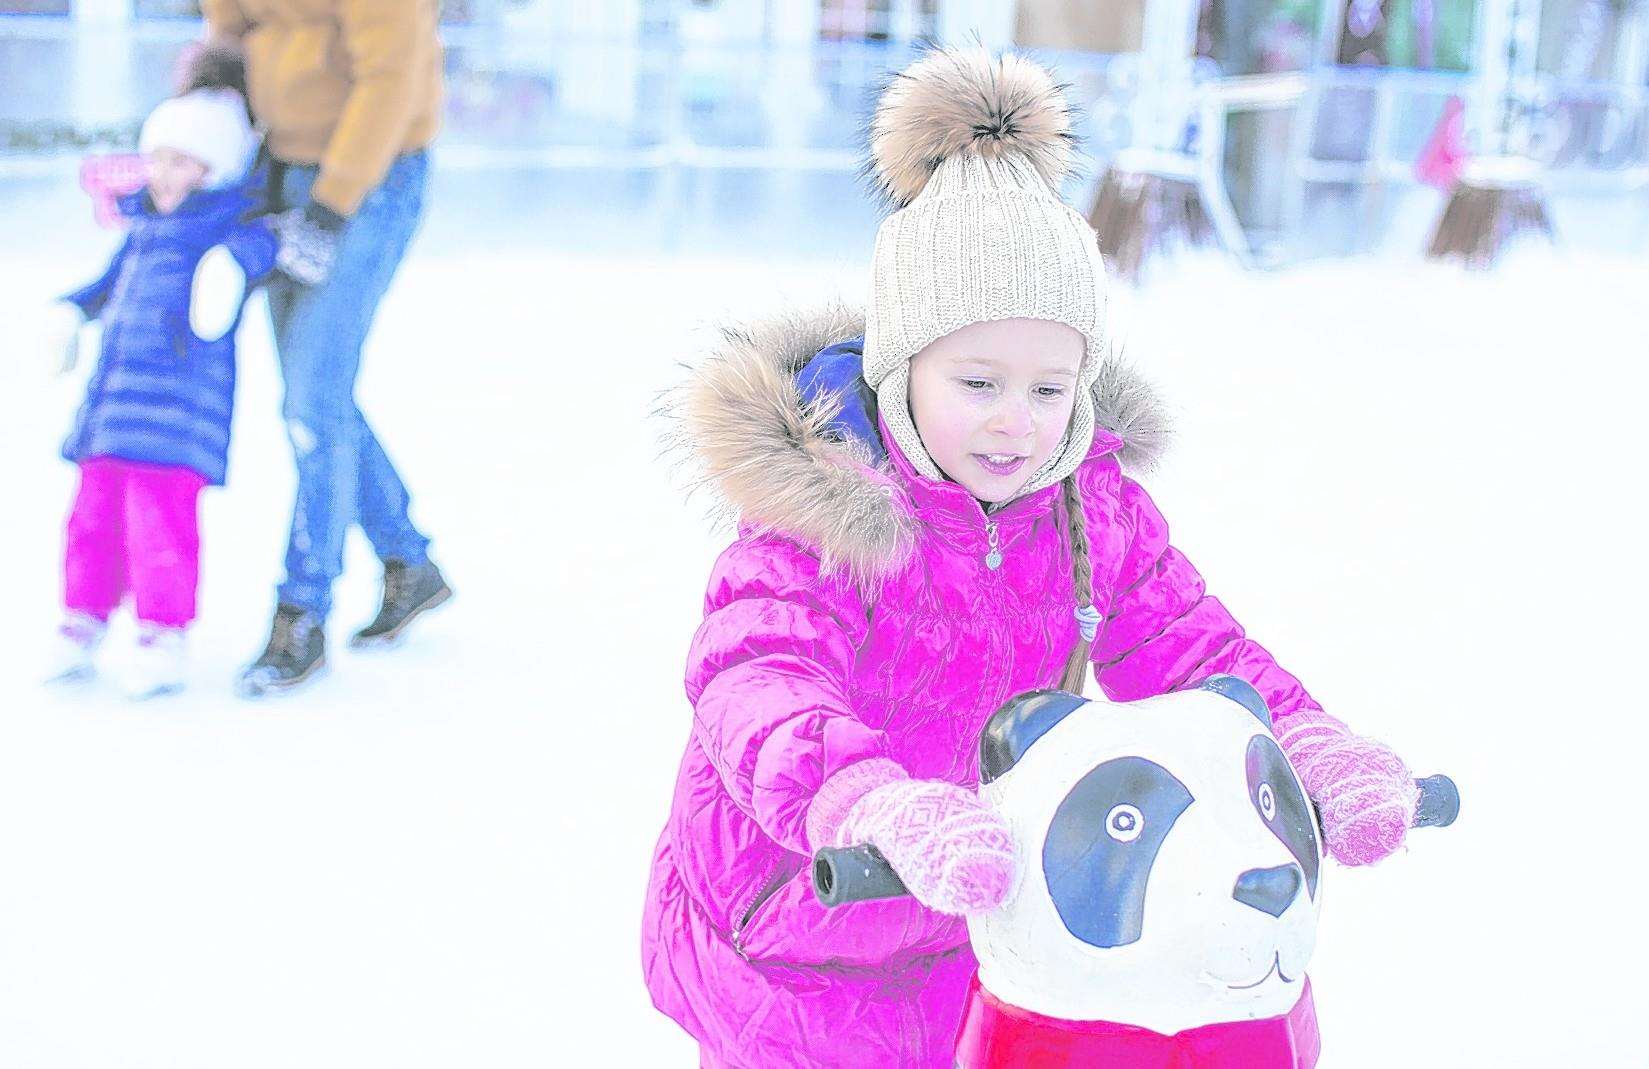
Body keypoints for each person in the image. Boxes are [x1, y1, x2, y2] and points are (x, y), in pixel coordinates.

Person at [641, 49, 1422, 1068]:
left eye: (1048, 389)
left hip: (986, 914)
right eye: (977, 381)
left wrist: (1302, 744)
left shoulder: (1086, 507)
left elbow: (1190, 648)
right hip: (804, 926)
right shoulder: (821, 511)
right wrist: (868, 801)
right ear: (898, 368)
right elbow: (755, 679)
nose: (1016, 422)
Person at [201, 0, 453, 697]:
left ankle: (301, 612)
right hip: (277, 169)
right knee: (317, 398)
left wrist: (331, 204)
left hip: (365, 179)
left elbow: (389, 79)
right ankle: (409, 563)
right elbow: (230, 24)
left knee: (313, 401)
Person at [44, 53, 275, 700]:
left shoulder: (223, 227)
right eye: (159, 158)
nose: (165, 174)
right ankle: (81, 615)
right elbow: (105, 284)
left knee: (159, 524)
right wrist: (70, 310)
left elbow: (261, 249)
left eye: (183, 161)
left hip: (177, 412)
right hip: (114, 403)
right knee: (90, 515)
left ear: (217, 168)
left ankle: (163, 632)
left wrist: (230, 267)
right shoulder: (145, 228)